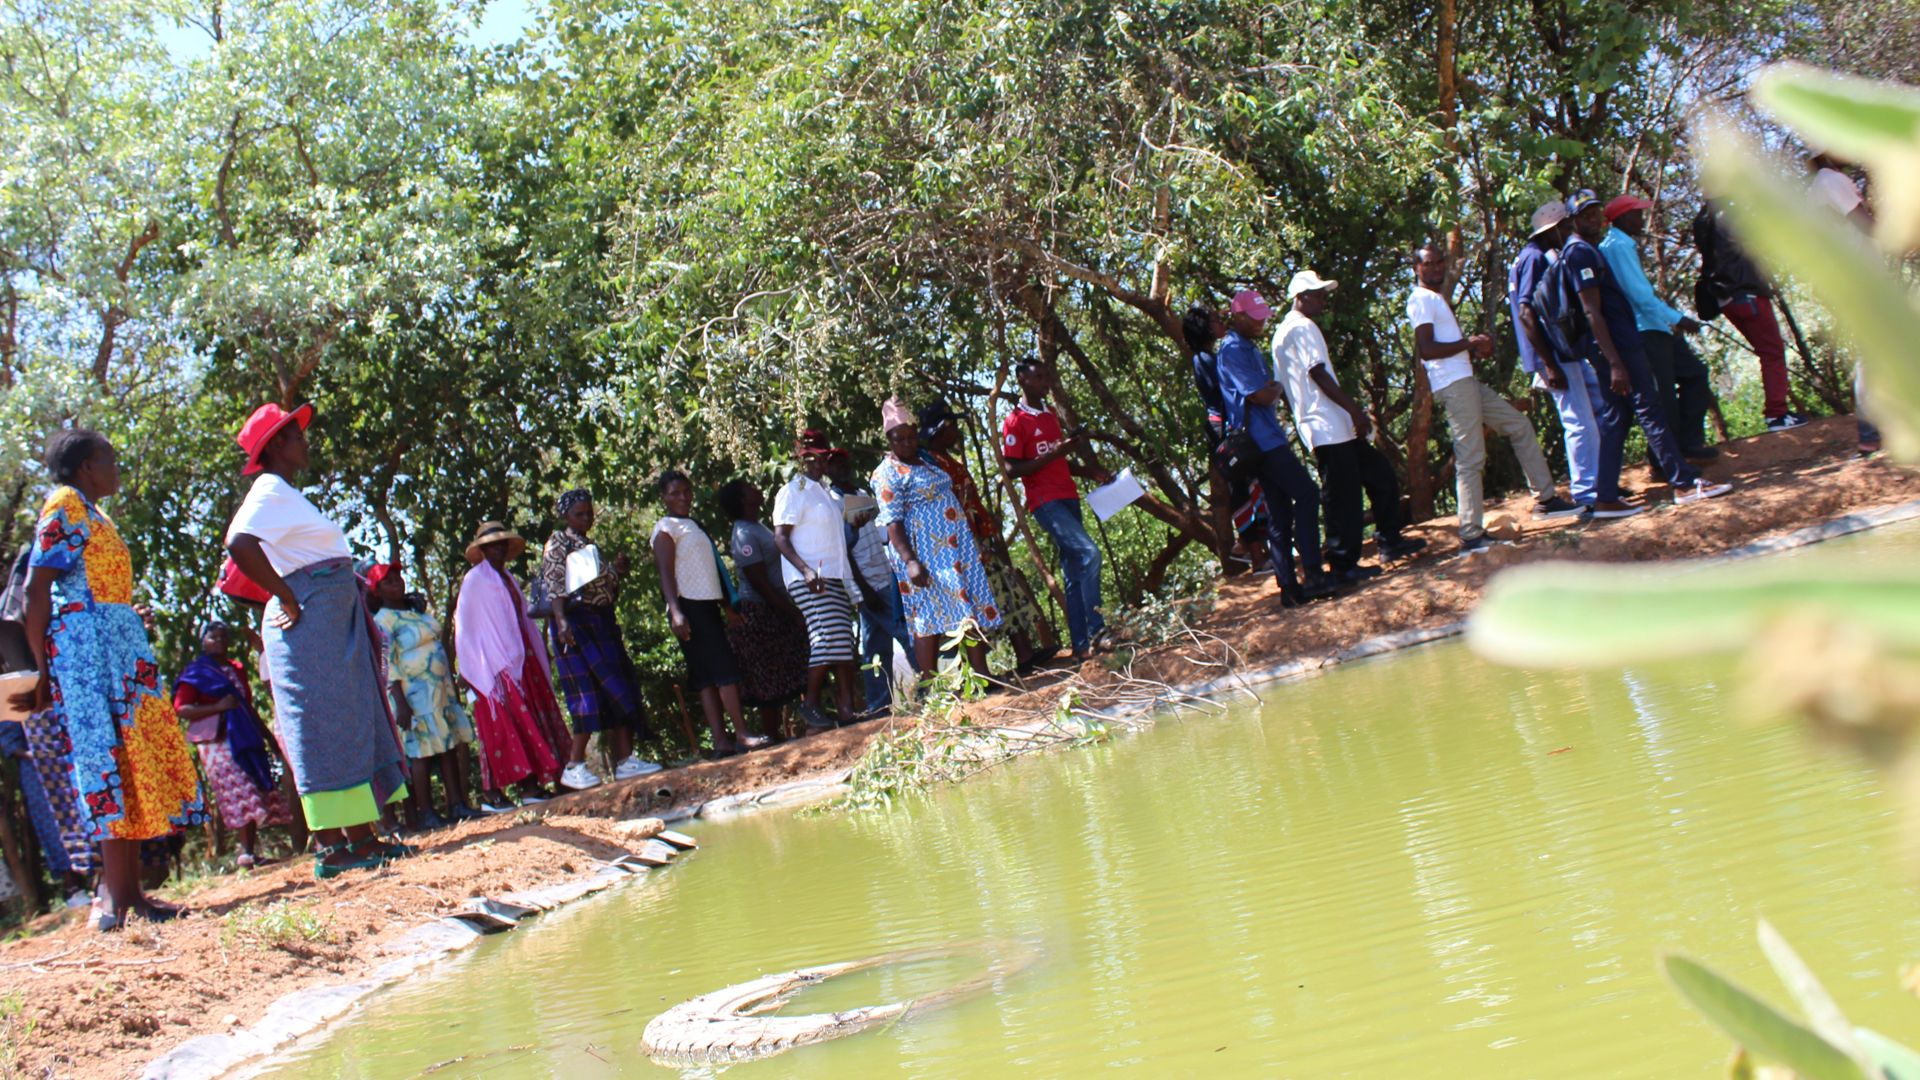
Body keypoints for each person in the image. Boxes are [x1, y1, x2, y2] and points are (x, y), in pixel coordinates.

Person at [12, 430, 205, 929]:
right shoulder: (66, 503)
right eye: (109, 459)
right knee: (105, 763)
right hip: (87, 656)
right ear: (84, 468)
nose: (116, 467)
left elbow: (88, 580)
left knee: (125, 760)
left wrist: (125, 613)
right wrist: (39, 669)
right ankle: (117, 905)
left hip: (112, 649)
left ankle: (130, 898)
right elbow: (38, 586)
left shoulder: (93, 513)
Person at [225, 403, 408, 880]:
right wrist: (285, 595)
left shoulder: (284, 494)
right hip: (307, 625)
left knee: (344, 719)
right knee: (321, 726)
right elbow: (238, 544)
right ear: (277, 446)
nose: (305, 442)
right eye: (295, 435)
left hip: (329, 622)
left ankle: (361, 836)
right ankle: (331, 848)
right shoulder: (266, 490)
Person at [1563, 190, 1736, 512]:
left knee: (1617, 418)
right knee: (1650, 410)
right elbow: (1591, 312)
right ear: (1572, 220)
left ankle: (1604, 497)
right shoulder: (1580, 255)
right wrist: (1615, 362)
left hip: (1615, 346)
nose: (1594, 219)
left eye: (1596, 212)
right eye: (1585, 215)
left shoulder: (1588, 250)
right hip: (1620, 347)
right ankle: (1683, 484)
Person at [1407, 246, 1581, 552]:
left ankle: (1546, 499)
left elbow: (1441, 347)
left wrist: (1471, 348)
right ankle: (1471, 534)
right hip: (1453, 384)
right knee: (1470, 457)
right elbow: (1428, 349)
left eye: (1439, 263)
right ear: (1416, 268)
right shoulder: (1421, 299)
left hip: (1465, 380)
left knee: (1518, 424)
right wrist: (1469, 343)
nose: (1435, 268)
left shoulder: (1434, 299)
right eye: (1428, 264)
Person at [1273, 270, 1427, 580]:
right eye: (1317, 294)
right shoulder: (1302, 328)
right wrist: (1354, 410)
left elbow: (1285, 388)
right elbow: (1317, 372)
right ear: (1300, 297)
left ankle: (1389, 539)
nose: (1323, 300)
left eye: (1323, 294)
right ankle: (1343, 563)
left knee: (1378, 473)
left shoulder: (1280, 334)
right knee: (1343, 496)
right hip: (1327, 423)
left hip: (1325, 424)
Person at [1215, 291, 1339, 603]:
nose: (1261, 322)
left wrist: (1273, 388)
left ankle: (1289, 589)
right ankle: (1312, 573)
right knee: (1308, 494)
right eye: (1255, 317)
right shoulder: (1232, 350)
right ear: (1238, 316)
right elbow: (1260, 395)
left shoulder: (1247, 347)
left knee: (1280, 512)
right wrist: (1278, 385)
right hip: (1262, 442)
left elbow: (1265, 393)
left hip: (1267, 438)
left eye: (1262, 316)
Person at [918, 401, 1061, 669]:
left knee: (1004, 590)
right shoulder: (932, 467)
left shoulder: (948, 461)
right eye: (952, 427)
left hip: (977, 539)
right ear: (941, 429)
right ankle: (982, 668)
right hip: (960, 545)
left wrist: (987, 531)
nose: (956, 433)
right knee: (982, 599)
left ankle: (1025, 653)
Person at [540, 490, 663, 788]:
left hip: (602, 623)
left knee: (619, 689)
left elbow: (602, 588)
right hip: (577, 624)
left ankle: (625, 761)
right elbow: (554, 584)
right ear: (566, 516)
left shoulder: (588, 545)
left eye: (589, 513)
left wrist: (616, 572)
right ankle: (574, 765)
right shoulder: (559, 543)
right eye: (579, 514)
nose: (586, 518)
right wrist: (562, 620)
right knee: (587, 696)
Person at [873, 398, 1002, 674]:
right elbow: (892, 524)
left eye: (910, 437)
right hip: (926, 554)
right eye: (899, 439)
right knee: (927, 617)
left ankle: (982, 675)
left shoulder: (926, 461)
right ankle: (928, 687)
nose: (907, 444)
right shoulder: (886, 473)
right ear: (889, 440)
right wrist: (911, 561)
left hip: (956, 548)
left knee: (966, 605)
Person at [452, 521, 573, 805]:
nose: (498, 549)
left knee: (534, 716)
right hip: (495, 666)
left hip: (522, 656)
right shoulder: (475, 581)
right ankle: (526, 788)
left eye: (502, 544)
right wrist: (476, 668)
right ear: (482, 550)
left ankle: (545, 780)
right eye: (492, 545)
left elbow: (519, 620)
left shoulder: (507, 578)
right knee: (511, 724)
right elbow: (468, 631)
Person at [651, 470, 768, 756]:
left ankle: (721, 742)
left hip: (707, 604)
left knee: (710, 675)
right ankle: (740, 734)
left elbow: (713, 568)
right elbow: (665, 573)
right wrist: (676, 611)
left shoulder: (694, 525)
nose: (683, 497)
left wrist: (728, 606)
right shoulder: (665, 528)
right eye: (675, 493)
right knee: (720, 671)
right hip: (688, 605)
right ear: (664, 497)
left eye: (686, 491)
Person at [1002, 361, 1113, 655]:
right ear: (1022, 380)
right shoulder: (1015, 421)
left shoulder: (1049, 415)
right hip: (1045, 502)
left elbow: (1058, 459)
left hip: (1068, 495)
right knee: (1090, 553)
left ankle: (1080, 646)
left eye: (1046, 376)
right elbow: (1012, 469)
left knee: (1074, 569)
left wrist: (1090, 472)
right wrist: (1056, 452)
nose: (1045, 382)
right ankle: (1097, 629)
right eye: (1038, 377)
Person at [1599, 194, 1717, 462]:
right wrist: (1678, 319)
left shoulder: (1622, 244)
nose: (1642, 219)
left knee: (1695, 374)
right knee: (1663, 395)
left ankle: (1688, 444)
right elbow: (1640, 296)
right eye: (1637, 213)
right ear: (1622, 218)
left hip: (1655, 326)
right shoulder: (1616, 246)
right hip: (1644, 330)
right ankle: (1665, 459)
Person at [368, 564, 481, 828]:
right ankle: (426, 812)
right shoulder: (382, 621)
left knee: (449, 744)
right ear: (378, 590)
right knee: (421, 752)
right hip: (414, 694)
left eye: (397, 577)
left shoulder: (414, 609)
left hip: (440, 689)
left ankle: (457, 804)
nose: (396, 582)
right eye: (387, 581)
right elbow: (388, 663)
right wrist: (400, 703)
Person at [1511, 199, 1606, 509]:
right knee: (1579, 421)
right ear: (1551, 230)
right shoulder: (1534, 259)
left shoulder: (1533, 257)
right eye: (1565, 227)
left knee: (1600, 407)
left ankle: (1602, 481)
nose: (1569, 232)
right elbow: (1526, 313)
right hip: (1555, 355)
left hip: (1564, 353)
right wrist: (1549, 363)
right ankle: (1587, 492)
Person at [173, 621, 292, 867]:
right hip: (217, 742)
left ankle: (249, 852)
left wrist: (269, 738)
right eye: (212, 636)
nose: (218, 641)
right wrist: (218, 707)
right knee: (238, 790)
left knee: (252, 786)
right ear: (202, 640)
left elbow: (245, 705)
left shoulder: (236, 669)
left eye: (223, 637)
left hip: (244, 735)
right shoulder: (196, 672)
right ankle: (245, 852)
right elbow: (182, 709)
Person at [773, 431, 861, 729]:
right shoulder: (793, 490)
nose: (819, 463)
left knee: (842, 642)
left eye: (823, 457)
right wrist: (806, 571)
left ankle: (848, 709)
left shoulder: (822, 491)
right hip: (807, 578)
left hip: (833, 575)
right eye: (813, 457)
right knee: (826, 638)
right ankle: (809, 704)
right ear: (801, 459)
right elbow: (781, 539)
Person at [1693, 200, 1806, 432]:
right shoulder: (1729, 214)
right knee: (1772, 352)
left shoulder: (1702, 220)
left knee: (1768, 352)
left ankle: (1777, 413)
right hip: (1747, 292)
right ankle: (1777, 415)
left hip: (1726, 297)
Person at [717, 480, 810, 736]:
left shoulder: (757, 526)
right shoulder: (743, 533)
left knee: (790, 664)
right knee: (766, 675)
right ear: (742, 499)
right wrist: (790, 611)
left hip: (774, 606)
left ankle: (807, 721)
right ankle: (771, 736)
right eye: (748, 487)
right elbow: (758, 581)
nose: (756, 487)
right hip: (760, 611)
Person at [825, 449, 915, 715]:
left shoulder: (862, 493)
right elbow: (843, 549)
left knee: (875, 648)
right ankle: (930, 687)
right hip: (868, 583)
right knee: (905, 633)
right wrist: (862, 589)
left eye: (843, 462)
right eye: (834, 465)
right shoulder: (832, 503)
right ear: (827, 471)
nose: (840, 468)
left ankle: (878, 706)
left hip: (882, 572)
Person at [1183, 305, 1271, 569]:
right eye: (1214, 320)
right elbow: (1224, 396)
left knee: (1248, 486)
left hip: (1225, 428)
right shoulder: (1205, 359)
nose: (1221, 322)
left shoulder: (1207, 357)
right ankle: (1253, 552)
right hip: (1226, 430)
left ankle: (1258, 549)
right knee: (1243, 488)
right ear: (1206, 328)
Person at [1807, 152, 1881, 456]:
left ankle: (1872, 433)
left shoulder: (1818, 187)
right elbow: (1865, 226)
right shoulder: (1831, 181)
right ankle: (1870, 432)